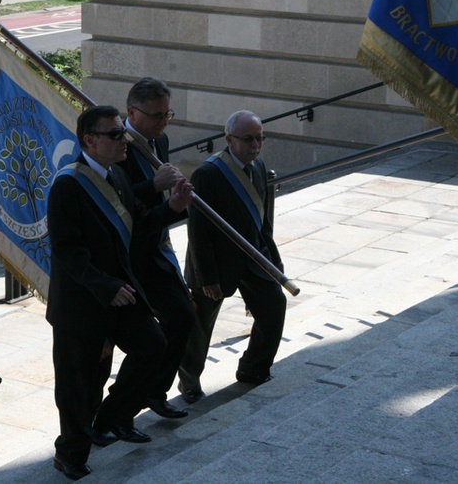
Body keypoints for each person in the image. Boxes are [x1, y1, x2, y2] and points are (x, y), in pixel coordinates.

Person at [46, 105, 193, 480]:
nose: (123, 139)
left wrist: (174, 208)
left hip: (120, 294)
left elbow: (140, 221)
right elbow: (67, 252)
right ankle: (71, 455)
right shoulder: (67, 185)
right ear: (89, 141)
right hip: (83, 301)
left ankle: (111, 418)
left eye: (122, 133)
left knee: (153, 345)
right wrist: (105, 286)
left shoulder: (118, 177)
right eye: (115, 134)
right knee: (78, 385)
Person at [178, 110, 287, 404]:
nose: (256, 144)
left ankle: (254, 368)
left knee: (274, 305)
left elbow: (262, 221)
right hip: (215, 264)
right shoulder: (208, 173)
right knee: (199, 327)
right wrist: (207, 277)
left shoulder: (259, 166)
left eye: (260, 138)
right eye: (249, 139)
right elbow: (197, 231)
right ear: (229, 139)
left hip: (252, 258)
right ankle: (189, 382)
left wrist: (273, 258)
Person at [114, 76, 194, 418]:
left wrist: (175, 202)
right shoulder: (116, 145)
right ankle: (119, 405)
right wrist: (152, 186)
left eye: (167, 114)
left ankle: (155, 393)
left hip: (156, 246)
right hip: (127, 256)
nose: (162, 122)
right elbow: (116, 199)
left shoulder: (159, 142)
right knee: (146, 339)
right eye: (156, 115)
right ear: (132, 112)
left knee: (183, 316)